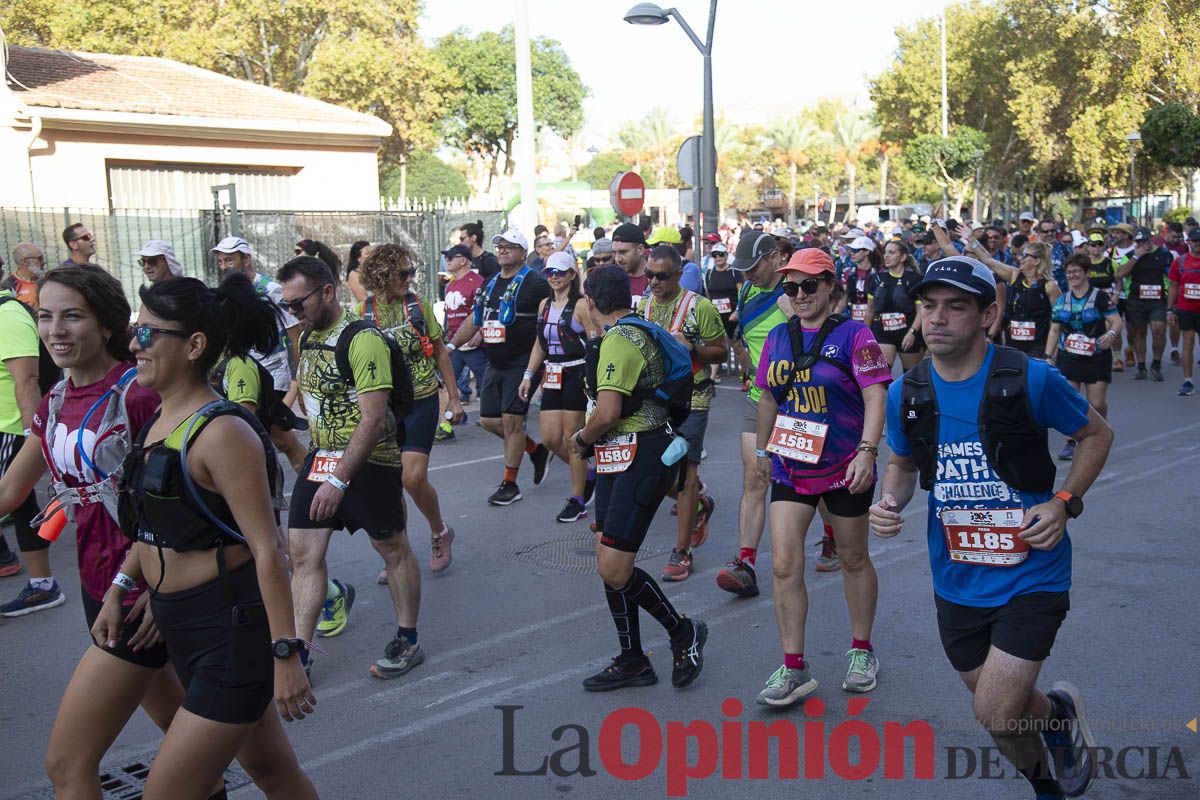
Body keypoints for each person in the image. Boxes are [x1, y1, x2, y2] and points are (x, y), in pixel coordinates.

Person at [871, 255, 1114, 800]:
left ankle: (1049, 730)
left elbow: (1097, 436)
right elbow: (904, 466)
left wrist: (1064, 502)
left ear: (987, 315)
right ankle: (1051, 742)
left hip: (1033, 572)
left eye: (955, 307)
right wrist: (890, 501)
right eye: (928, 306)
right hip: (955, 577)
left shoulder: (1031, 377)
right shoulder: (905, 394)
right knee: (1002, 718)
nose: (937, 318)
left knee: (996, 709)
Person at [0, 266, 223, 797]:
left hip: (140, 595)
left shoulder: (139, 392)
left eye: (72, 316)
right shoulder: (55, 402)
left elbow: (208, 494)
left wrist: (155, 587)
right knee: (194, 752)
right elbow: (9, 494)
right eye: (46, 316)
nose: (55, 329)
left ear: (106, 325)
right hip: (94, 588)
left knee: (67, 765)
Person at [103, 273, 317, 799]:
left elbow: (268, 550)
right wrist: (118, 586)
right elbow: (158, 527)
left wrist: (286, 654)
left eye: (149, 333)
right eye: (137, 328)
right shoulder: (158, 417)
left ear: (194, 345)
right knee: (271, 770)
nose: (134, 343)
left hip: (230, 634)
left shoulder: (222, 431)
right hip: (182, 629)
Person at [752, 247, 891, 706]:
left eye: (809, 284)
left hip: (844, 465)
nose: (800, 294)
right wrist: (762, 449)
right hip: (792, 462)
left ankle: (862, 650)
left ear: (830, 285)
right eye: (791, 287)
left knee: (852, 558)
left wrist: (867, 453)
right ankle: (794, 668)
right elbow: (769, 398)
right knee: (784, 563)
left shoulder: (856, 336)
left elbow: (875, 397)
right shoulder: (776, 337)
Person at [278, 256, 423, 680]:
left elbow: (373, 419)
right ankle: (301, 651)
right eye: (287, 305)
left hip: (370, 461)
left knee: (392, 549)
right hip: (321, 456)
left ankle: (408, 639)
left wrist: (340, 480)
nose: (294, 312)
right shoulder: (305, 337)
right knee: (303, 553)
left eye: (298, 303)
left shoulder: (363, 340)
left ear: (327, 292)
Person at [567, 265, 708, 692]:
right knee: (609, 559)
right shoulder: (635, 329)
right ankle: (632, 659)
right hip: (618, 456)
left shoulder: (620, 340)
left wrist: (579, 439)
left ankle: (682, 632)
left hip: (639, 455)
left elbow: (608, 412)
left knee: (614, 565)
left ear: (590, 302)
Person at [358, 243, 464, 573]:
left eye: (411, 272)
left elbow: (441, 353)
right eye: (402, 273)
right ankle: (398, 555)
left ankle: (440, 531)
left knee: (412, 477)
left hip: (421, 398)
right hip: (385, 408)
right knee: (391, 483)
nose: (409, 279)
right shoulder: (362, 312)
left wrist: (455, 396)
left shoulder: (417, 306)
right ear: (382, 275)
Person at [636, 245, 725, 582]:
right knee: (657, 470)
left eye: (662, 276)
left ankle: (682, 550)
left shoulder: (698, 307)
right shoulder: (642, 306)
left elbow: (721, 351)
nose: (654, 282)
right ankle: (700, 507)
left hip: (693, 398)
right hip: (655, 401)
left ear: (678, 274)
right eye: (649, 275)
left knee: (685, 473)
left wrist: (693, 348)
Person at [715, 231, 795, 597]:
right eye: (743, 270)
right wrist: (749, 368)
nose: (748, 276)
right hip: (759, 398)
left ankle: (830, 538)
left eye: (754, 267)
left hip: (801, 402)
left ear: (775, 257)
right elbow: (740, 331)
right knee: (754, 478)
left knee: (814, 486)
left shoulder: (795, 291)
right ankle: (746, 564)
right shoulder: (747, 290)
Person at [445, 230, 550, 506]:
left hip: (523, 362)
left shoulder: (535, 283)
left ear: (522, 252)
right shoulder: (490, 283)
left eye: (509, 247)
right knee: (490, 421)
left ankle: (510, 484)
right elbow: (474, 319)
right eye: (500, 247)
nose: (502, 251)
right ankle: (535, 450)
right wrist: (452, 346)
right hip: (495, 361)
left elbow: (552, 312)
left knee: (512, 421)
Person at [212, 236, 307, 470]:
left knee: (268, 439)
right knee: (279, 440)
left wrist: (297, 383)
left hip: (272, 378)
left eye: (229, 260)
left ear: (246, 259)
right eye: (221, 261)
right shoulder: (227, 292)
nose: (224, 266)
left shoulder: (272, 291)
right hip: (242, 374)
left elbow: (295, 337)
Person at [518, 251, 591, 523]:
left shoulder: (582, 306)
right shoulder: (544, 305)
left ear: (572, 274)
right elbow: (540, 343)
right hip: (552, 373)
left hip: (575, 372)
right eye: (550, 272)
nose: (555, 277)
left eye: (560, 272)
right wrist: (528, 375)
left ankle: (578, 499)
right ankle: (588, 474)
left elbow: (596, 340)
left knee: (573, 439)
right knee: (549, 439)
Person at [0, 274, 56, 614]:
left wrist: (30, 439)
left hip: (10, 430)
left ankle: (44, 584)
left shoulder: (8, 316)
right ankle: (42, 584)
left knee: (16, 499)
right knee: (21, 505)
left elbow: (27, 382)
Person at [1046, 254, 1122, 461]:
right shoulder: (1062, 300)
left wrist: (1111, 334)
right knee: (1071, 400)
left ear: (1087, 273)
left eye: (1077, 271)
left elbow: (1116, 321)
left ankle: (1102, 428)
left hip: (1096, 356)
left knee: (1096, 403)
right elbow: (1054, 330)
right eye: (1069, 272)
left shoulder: (1099, 297)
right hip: (1069, 356)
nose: (1072, 276)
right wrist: (1048, 356)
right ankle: (1072, 440)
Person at [968, 238, 1061, 358]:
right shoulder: (1015, 275)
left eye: (1024, 255)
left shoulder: (1050, 286)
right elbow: (988, 260)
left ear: (1037, 260)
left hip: (1037, 347)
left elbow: (1057, 323)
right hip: (1012, 344)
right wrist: (971, 239)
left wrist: (1050, 355)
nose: (1020, 258)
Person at [437, 244, 485, 440]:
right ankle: (446, 425)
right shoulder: (450, 285)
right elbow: (449, 314)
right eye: (446, 257)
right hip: (454, 344)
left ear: (464, 260)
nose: (447, 260)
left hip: (475, 345)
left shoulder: (477, 281)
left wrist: (480, 332)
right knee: (445, 384)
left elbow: (484, 310)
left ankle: (508, 418)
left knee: (489, 384)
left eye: (451, 257)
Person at [1118, 228, 1171, 381]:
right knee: (1139, 332)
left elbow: (1172, 276)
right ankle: (1141, 366)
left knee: (1158, 330)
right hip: (1135, 300)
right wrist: (1137, 256)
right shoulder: (1130, 256)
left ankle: (1156, 363)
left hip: (1157, 299)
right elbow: (1120, 274)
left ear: (1151, 239)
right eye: (1139, 241)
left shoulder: (1164, 254)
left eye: (1145, 241)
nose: (1142, 244)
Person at [703, 242, 747, 380]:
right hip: (716, 316)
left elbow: (742, 293)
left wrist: (738, 311)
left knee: (737, 347)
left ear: (727, 256)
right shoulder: (710, 273)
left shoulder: (734, 272)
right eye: (714, 255)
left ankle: (746, 375)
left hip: (732, 316)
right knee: (715, 345)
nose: (718, 258)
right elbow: (708, 294)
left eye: (721, 254)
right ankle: (712, 377)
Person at [1167, 229, 1200, 396]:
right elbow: (1173, 286)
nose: (1197, 243)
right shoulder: (1180, 262)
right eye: (1194, 240)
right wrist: (1170, 309)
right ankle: (1188, 381)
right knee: (1187, 343)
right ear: (1189, 242)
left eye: (1199, 240)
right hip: (1186, 309)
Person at [611, 223, 651, 305]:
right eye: (615, 252)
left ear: (640, 249)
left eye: (623, 252)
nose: (618, 259)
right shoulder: (612, 281)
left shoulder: (657, 280)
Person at [3, 242, 46, 308]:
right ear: (23, 261)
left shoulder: (46, 281)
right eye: (39, 258)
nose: (43, 262)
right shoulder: (8, 286)